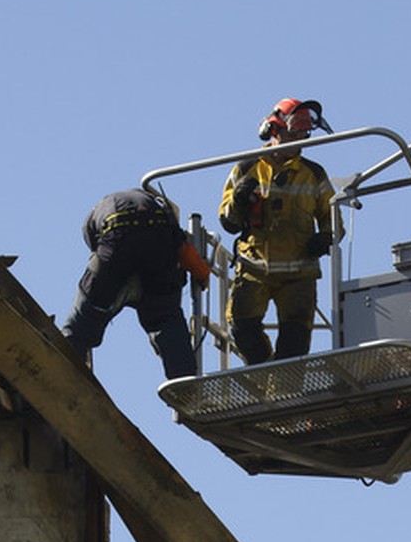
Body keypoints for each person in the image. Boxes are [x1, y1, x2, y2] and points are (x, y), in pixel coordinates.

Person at [219, 98, 338, 363]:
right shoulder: (246, 169)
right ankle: (265, 375)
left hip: (299, 272)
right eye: (294, 132)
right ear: (274, 129)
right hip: (254, 267)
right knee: (242, 327)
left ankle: (285, 384)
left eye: (304, 133)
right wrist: (238, 200)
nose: (300, 139)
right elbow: (228, 222)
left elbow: (333, 214)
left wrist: (326, 236)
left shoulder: (313, 174)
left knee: (295, 342)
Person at [60, 188, 209, 381]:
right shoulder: (160, 210)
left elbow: (99, 257)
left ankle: (65, 368)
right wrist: (202, 275)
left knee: (83, 323)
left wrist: (102, 290)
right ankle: (185, 382)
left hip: (115, 248)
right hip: (158, 250)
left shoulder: (97, 215)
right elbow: (183, 250)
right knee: (166, 319)